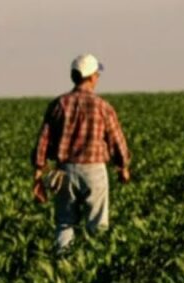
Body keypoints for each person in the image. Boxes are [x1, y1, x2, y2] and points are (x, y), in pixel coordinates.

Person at [31, 53, 131, 253]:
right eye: (97, 74)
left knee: (65, 224)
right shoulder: (102, 106)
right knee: (97, 225)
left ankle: (62, 265)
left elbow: (43, 139)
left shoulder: (59, 104)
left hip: (65, 171)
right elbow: (116, 140)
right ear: (92, 77)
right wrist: (123, 167)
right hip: (94, 172)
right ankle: (95, 266)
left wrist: (38, 174)